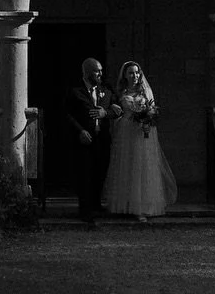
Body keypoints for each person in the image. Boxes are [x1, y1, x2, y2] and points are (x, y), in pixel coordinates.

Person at [101, 60, 178, 222]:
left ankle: (142, 207)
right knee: (127, 166)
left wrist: (148, 121)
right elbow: (117, 112)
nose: (134, 75)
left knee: (142, 167)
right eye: (131, 73)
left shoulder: (145, 91)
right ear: (125, 75)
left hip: (143, 131)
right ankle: (125, 204)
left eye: (137, 72)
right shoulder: (120, 92)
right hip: (126, 132)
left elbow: (152, 111)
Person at [64, 57, 121, 223]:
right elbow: (67, 114)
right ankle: (85, 209)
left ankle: (96, 205)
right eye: (97, 71)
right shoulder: (75, 90)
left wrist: (106, 113)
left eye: (101, 71)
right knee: (85, 174)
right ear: (87, 73)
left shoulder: (106, 90)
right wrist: (80, 131)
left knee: (100, 171)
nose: (100, 74)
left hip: (101, 138)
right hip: (84, 139)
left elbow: (118, 110)